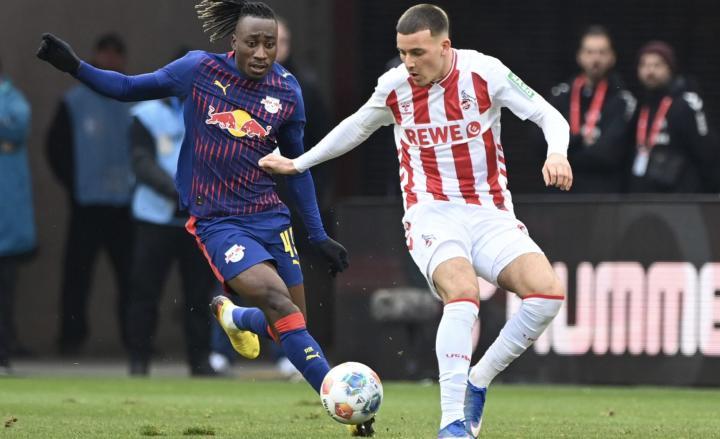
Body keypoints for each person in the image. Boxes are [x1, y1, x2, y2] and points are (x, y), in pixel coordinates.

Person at [36, 1, 371, 435]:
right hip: (218, 221)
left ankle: (236, 318)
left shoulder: (287, 90)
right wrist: (75, 67)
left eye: (269, 44)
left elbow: (297, 167)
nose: (261, 53)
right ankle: (342, 405)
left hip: (271, 218)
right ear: (233, 41)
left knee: (291, 326)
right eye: (252, 43)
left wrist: (318, 234)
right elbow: (127, 88)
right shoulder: (199, 70)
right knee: (277, 301)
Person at [258, 4, 569, 438]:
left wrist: (557, 152)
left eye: (417, 53)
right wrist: (298, 163)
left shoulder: (484, 73)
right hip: (431, 212)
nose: (408, 62)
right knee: (462, 293)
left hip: (489, 212)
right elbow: (356, 127)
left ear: (445, 46)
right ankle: (452, 422)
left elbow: (547, 114)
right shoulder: (395, 86)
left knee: (548, 294)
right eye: (403, 52)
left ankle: (478, 380)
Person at [45, 33, 134, 354]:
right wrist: (75, 184)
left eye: (116, 53)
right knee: (77, 276)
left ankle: (135, 341)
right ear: (95, 55)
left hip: (125, 204)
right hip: (86, 204)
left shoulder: (133, 101)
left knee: (130, 278)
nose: (110, 59)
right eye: (105, 53)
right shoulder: (74, 101)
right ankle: (71, 339)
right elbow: (55, 149)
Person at [125, 89, 217, 377]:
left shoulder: (212, 114)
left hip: (198, 220)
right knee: (144, 292)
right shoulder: (145, 115)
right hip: (155, 218)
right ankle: (139, 361)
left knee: (199, 295)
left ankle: (200, 363)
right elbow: (142, 162)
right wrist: (179, 192)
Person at [547, 25, 635, 192]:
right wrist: (581, 138)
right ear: (579, 56)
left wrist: (567, 147)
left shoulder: (623, 100)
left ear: (612, 57)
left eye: (602, 52)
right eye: (590, 52)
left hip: (604, 193)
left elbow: (609, 154)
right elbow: (540, 142)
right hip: (561, 193)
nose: (596, 59)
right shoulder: (561, 94)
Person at [627, 41, 717, 193]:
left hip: (680, 195)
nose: (650, 71)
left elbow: (707, 152)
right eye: (644, 65)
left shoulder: (687, 103)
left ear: (670, 68)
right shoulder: (641, 106)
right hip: (645, 194)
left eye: (657, 65)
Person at [0, 55, 35, 375]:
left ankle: (2, 354)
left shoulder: (12, 100)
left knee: (5, 291)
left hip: (6, 221)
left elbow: (17, 127)